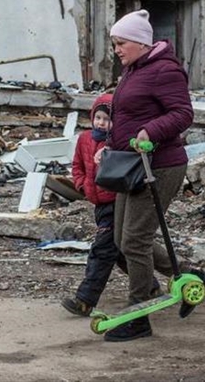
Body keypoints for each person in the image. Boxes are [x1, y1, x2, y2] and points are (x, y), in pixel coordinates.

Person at [96, 9, 205, 342]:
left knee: (135, 240)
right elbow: (128, 115)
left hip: (159, 166)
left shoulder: (164, 70)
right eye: (114, 44)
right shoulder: (134, 70)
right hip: (130, 165)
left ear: (141, 42)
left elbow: (183, 113)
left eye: (121, 43)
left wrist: (151, 131)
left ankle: (139, 315)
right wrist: (110, 145)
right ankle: (187, 274)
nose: (117, 50)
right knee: (121, 241)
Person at [61, 93, 122, 317]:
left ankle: (85, 300)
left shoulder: (117, 143)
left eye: (107, 119)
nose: (101, 123)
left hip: (116, 202)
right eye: (98, 118)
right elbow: (77, 165)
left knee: (102, 250)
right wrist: (81, 185)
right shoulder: (85, 139)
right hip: (98, 203)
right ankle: (153, 286)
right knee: (122, 251)